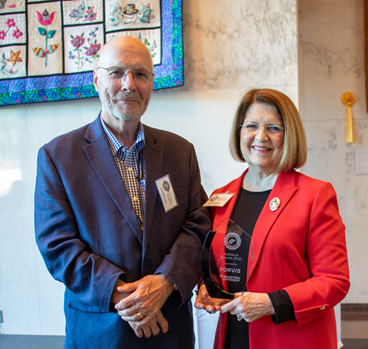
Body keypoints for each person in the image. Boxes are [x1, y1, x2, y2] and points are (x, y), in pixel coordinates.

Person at [34, 36, 211, 349]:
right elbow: (57, 245)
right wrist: (131, 300)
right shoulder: (58, 156)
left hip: (171, 329)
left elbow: (199, 224)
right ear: (96, 80)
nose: (129, 84)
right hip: (100, 330)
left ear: (152, 83)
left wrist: (165, 282)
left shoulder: (180, 152)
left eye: (140, 74)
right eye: (116, 73)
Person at [194, 88, 350, 349]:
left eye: (274, 128)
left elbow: (334, 281)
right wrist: (205, 287)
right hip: (233, 336)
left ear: (289, 135)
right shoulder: (220, 196)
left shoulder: (315, 194)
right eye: (251, 125)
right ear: (239, 132)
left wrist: (270, 303)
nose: (260, 136)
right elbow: (212, 260)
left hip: (292, 338)